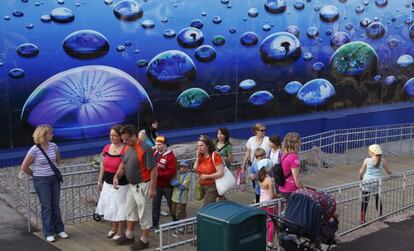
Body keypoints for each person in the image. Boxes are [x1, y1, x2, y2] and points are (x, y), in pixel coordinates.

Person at [20, 125, 68, 242]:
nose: (52, 135)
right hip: (41, 180)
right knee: (46, 207)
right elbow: (24, 167)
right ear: (43, 135)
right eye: (50, 133)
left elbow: (57, 160)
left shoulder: (54, 146)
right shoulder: (34, 150)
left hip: (54, 179)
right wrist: (36, 175)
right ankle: (48, 232)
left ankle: (60, 230)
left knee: (55, 205)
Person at [113, 125, 157, 250]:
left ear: (134, 136)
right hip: (132, 186)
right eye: (123, 139)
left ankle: (144, 240)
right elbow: (123, 161)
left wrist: (152, 188)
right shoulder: (128, 147)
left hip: (144, 185)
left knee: (144, 213)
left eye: (127, 139)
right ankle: (129, 235)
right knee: (130, 210)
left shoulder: (145, 148)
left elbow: (153, 169)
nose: (125, 142)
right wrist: (117, 174)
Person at [95, 125, 128, 240]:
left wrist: (117, 176)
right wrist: (100, 181)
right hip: (107, 182)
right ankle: (114, 228)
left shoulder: (125, 148)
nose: (112, 137)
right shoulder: (107, 147)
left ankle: (120, 231)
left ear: (120, 136)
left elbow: (122, 167)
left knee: (120, 206)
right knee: (111, 206)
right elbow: (103, 165)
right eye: (110, 135)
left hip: (120, 183)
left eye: (114, 135)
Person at [358, 144, 392, 224]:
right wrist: (393, 175)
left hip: (366, 182)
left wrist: (360, 178)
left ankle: (362, 219)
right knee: (378, 199)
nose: (368, 152)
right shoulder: (383, 161)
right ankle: (380, 216)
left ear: (372, 152)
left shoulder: (367, 160)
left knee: (365, 201)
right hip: (377, 183)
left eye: (369, 151)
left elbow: (361, 172)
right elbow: (389, 172)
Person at [152, 136, 177, 229]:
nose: (158, 146)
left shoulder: (170, 156)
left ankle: (176, 221)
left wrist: (158, 173)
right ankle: (154, 224)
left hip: (168, 186)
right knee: (155, 204)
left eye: (160, 144)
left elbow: (171, 172)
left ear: (165, 145)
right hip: (157, 184)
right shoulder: (155, 154)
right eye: (156, 144)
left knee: (171, 204)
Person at [194, 135, 225, 207]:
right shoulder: (201, 156)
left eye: (201, 145)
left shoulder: (215, 156)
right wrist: (197, 158)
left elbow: (221, 173)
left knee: (206, 207)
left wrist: (207, 176)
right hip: (203, 185)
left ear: (207, 146)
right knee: (216, 202)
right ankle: (227, 206)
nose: (199, 148)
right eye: (198, 146)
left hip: (212, 186)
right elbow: (195, 168)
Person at [243, 123, 270, 192]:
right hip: (254, 166)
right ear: (256, 131)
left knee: (264, 183)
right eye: (262, 130)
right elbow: (248, 152)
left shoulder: (268, 139)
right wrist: (244, 164)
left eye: (265, 130)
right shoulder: (251, 140)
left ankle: (264, 198)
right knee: (255, 183)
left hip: (265, 166)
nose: (264, 132)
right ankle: (257, 198)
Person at [278, 132, 304, 200]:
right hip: (291, 189)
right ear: (296, 143)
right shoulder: (294, 157)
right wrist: (304, 190)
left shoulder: (283, 154)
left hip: (282, 188)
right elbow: (297, 179)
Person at [170, 159, 192, 237]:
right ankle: (189, 225)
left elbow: (183, 187)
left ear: (188, 168)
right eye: (181, 167)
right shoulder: (178, 174)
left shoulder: (188, 176)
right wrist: (175, 182)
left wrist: (175, 182)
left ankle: (181, 228)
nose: (183, 169)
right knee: (178, 212)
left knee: (179, 213)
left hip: (182, 198)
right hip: (174, 197)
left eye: (185, 167)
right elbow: (171, 181)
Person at [257, 161, 276, 250]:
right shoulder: (269, 180)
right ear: (269, 168)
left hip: (262, 203)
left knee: (265, 223)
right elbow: (272, 195)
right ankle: (270, 243)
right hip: (270, 204)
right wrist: (277, 195)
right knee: (271, 223)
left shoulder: (260, 177)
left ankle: (261, 241)